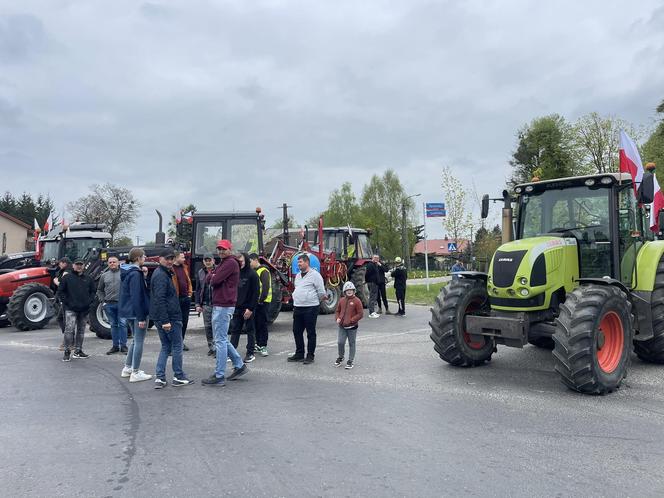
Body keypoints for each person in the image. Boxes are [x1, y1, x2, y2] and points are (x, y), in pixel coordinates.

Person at [202, 240, 248, 386]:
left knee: (220, 341)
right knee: (223, 339)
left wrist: (213, 276)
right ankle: (239, 366)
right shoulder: (224, 262)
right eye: (219, 249)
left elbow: (213, 281)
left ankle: (219, 375)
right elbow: (210, 278)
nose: (221, 251)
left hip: (223, 305)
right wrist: (213, 276)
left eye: (224, 249)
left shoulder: (229, 263)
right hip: (222, 304)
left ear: (230, 249)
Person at [151, 248, 194, 389]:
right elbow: (160, 299)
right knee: (177, 346)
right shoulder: (161, 276)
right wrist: (165, 321)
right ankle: (178, 376)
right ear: (160, 259)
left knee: (165, 347)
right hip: (169, 318)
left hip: (165, 317)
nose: (170, 261)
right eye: (167, 258)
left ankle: (160, 378)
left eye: (171, 258)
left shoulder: (164, 273)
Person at [119, 248, 153, 383]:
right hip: (136, 313)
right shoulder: (135, 274)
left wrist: (143, 275)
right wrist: (141, 317)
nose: (145, 258)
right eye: (143, 256)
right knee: (139, 341)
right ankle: (136, 372)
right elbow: (137, 296)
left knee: (134, 340)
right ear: (138, 258)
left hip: (127, 311)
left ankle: (128, 368)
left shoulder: (127, 271)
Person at [288, 253, 327, 364]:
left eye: (300, 262)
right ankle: (299, 354)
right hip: (298, 307)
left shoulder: (315, 275)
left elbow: (321, 291)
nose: (298, 264)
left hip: (311, 308)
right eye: (298, 262)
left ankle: (310, 356)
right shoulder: (298, 276)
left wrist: (315, 302)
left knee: (310, 333)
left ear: (307, 262)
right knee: (297, 331)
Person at [57, 258, 95, 361]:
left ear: (83, 266)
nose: (79, 266)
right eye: (77, 264)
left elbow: (93, 292)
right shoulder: (67, 278)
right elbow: (60, 292)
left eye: (81, 264)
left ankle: (78, 351)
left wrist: (89, 302)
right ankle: (67, 351)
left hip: (84, 310)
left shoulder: (89, 278)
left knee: (81, 331)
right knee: (69, 330)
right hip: (70, 309)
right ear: (73, 265)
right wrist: (68, 303)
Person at [229, 252, 259, 363]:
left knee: (250, 330)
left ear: (246, 260)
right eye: (238, 262)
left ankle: (250, 353)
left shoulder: (252, 274)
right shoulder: (235, 274)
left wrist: (250, 309)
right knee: (235, 330)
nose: (240, 263)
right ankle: (231, 353)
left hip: (248, 308)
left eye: (241, 261)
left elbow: (256, 293)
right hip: (237, 307)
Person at [97, 255, 127, 355]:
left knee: (122, 324)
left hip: (122, 304)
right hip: (109, 304)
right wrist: (103, 301)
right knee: (113, 325)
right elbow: (100, 290)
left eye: (114, 262)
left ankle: (123, 346)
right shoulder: (104, 276)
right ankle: (115, 346)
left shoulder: (124, 274)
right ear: (108, 264)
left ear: (118, 263)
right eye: (110, 262)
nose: (112, 264)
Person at [335, 281, 364, 369]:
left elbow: (360, 314)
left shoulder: (357, 301)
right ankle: (341, 356)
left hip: (352, 327)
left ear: (354, 291)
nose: (349, 291)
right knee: (340, 342)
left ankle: (350, 360)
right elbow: (337, 311)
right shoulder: (341, 300)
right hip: (342, 326)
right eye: (347, 290)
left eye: (351, 290)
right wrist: (337, 318)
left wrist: (352, 320)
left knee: (352, 343)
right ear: (344, 291)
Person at [249, 253, 271, 357]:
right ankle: (258, 343)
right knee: (256, 324)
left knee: (262, 324)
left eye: (250, 262)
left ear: (255, 260)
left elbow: (265, 288)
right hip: (256, 302)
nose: (249, 264)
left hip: (263, 302)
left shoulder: (264, 271)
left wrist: (261, 300)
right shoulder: (254, 271)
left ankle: (263, 345)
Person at [195, 254, 216, 357]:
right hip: (206, 304)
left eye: (209, 260)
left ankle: (217, 348)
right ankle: (211, 347)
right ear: (203, 261)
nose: (208, 262)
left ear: (213, 260)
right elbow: (198, 289)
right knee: (208, 327)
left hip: (217, 304)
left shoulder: (219, 270)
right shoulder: (200, 272)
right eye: (205, 260)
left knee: (216, 326)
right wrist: (198, 304)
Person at [172, 251, 193, 351]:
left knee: (184, 321)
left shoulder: (184, 267)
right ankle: (174, 344)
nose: (184, 259)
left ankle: (181, 341)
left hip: (185, 298)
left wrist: (189, 294)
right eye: (182, 257)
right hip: (176, 299)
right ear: (176, 258)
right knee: (176, 322)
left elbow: (187, 281)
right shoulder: (171, 269)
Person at [54, 257, 71, 350]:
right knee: (61, 319)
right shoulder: (62, 271)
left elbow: (62, 284)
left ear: (65, 263)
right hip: (63, 299)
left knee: (66, 320)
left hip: (66, 300)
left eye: (60, 263)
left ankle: (68, 342)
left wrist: (55, 281)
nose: (59, 265)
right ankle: (68, 339)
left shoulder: (67, 272)